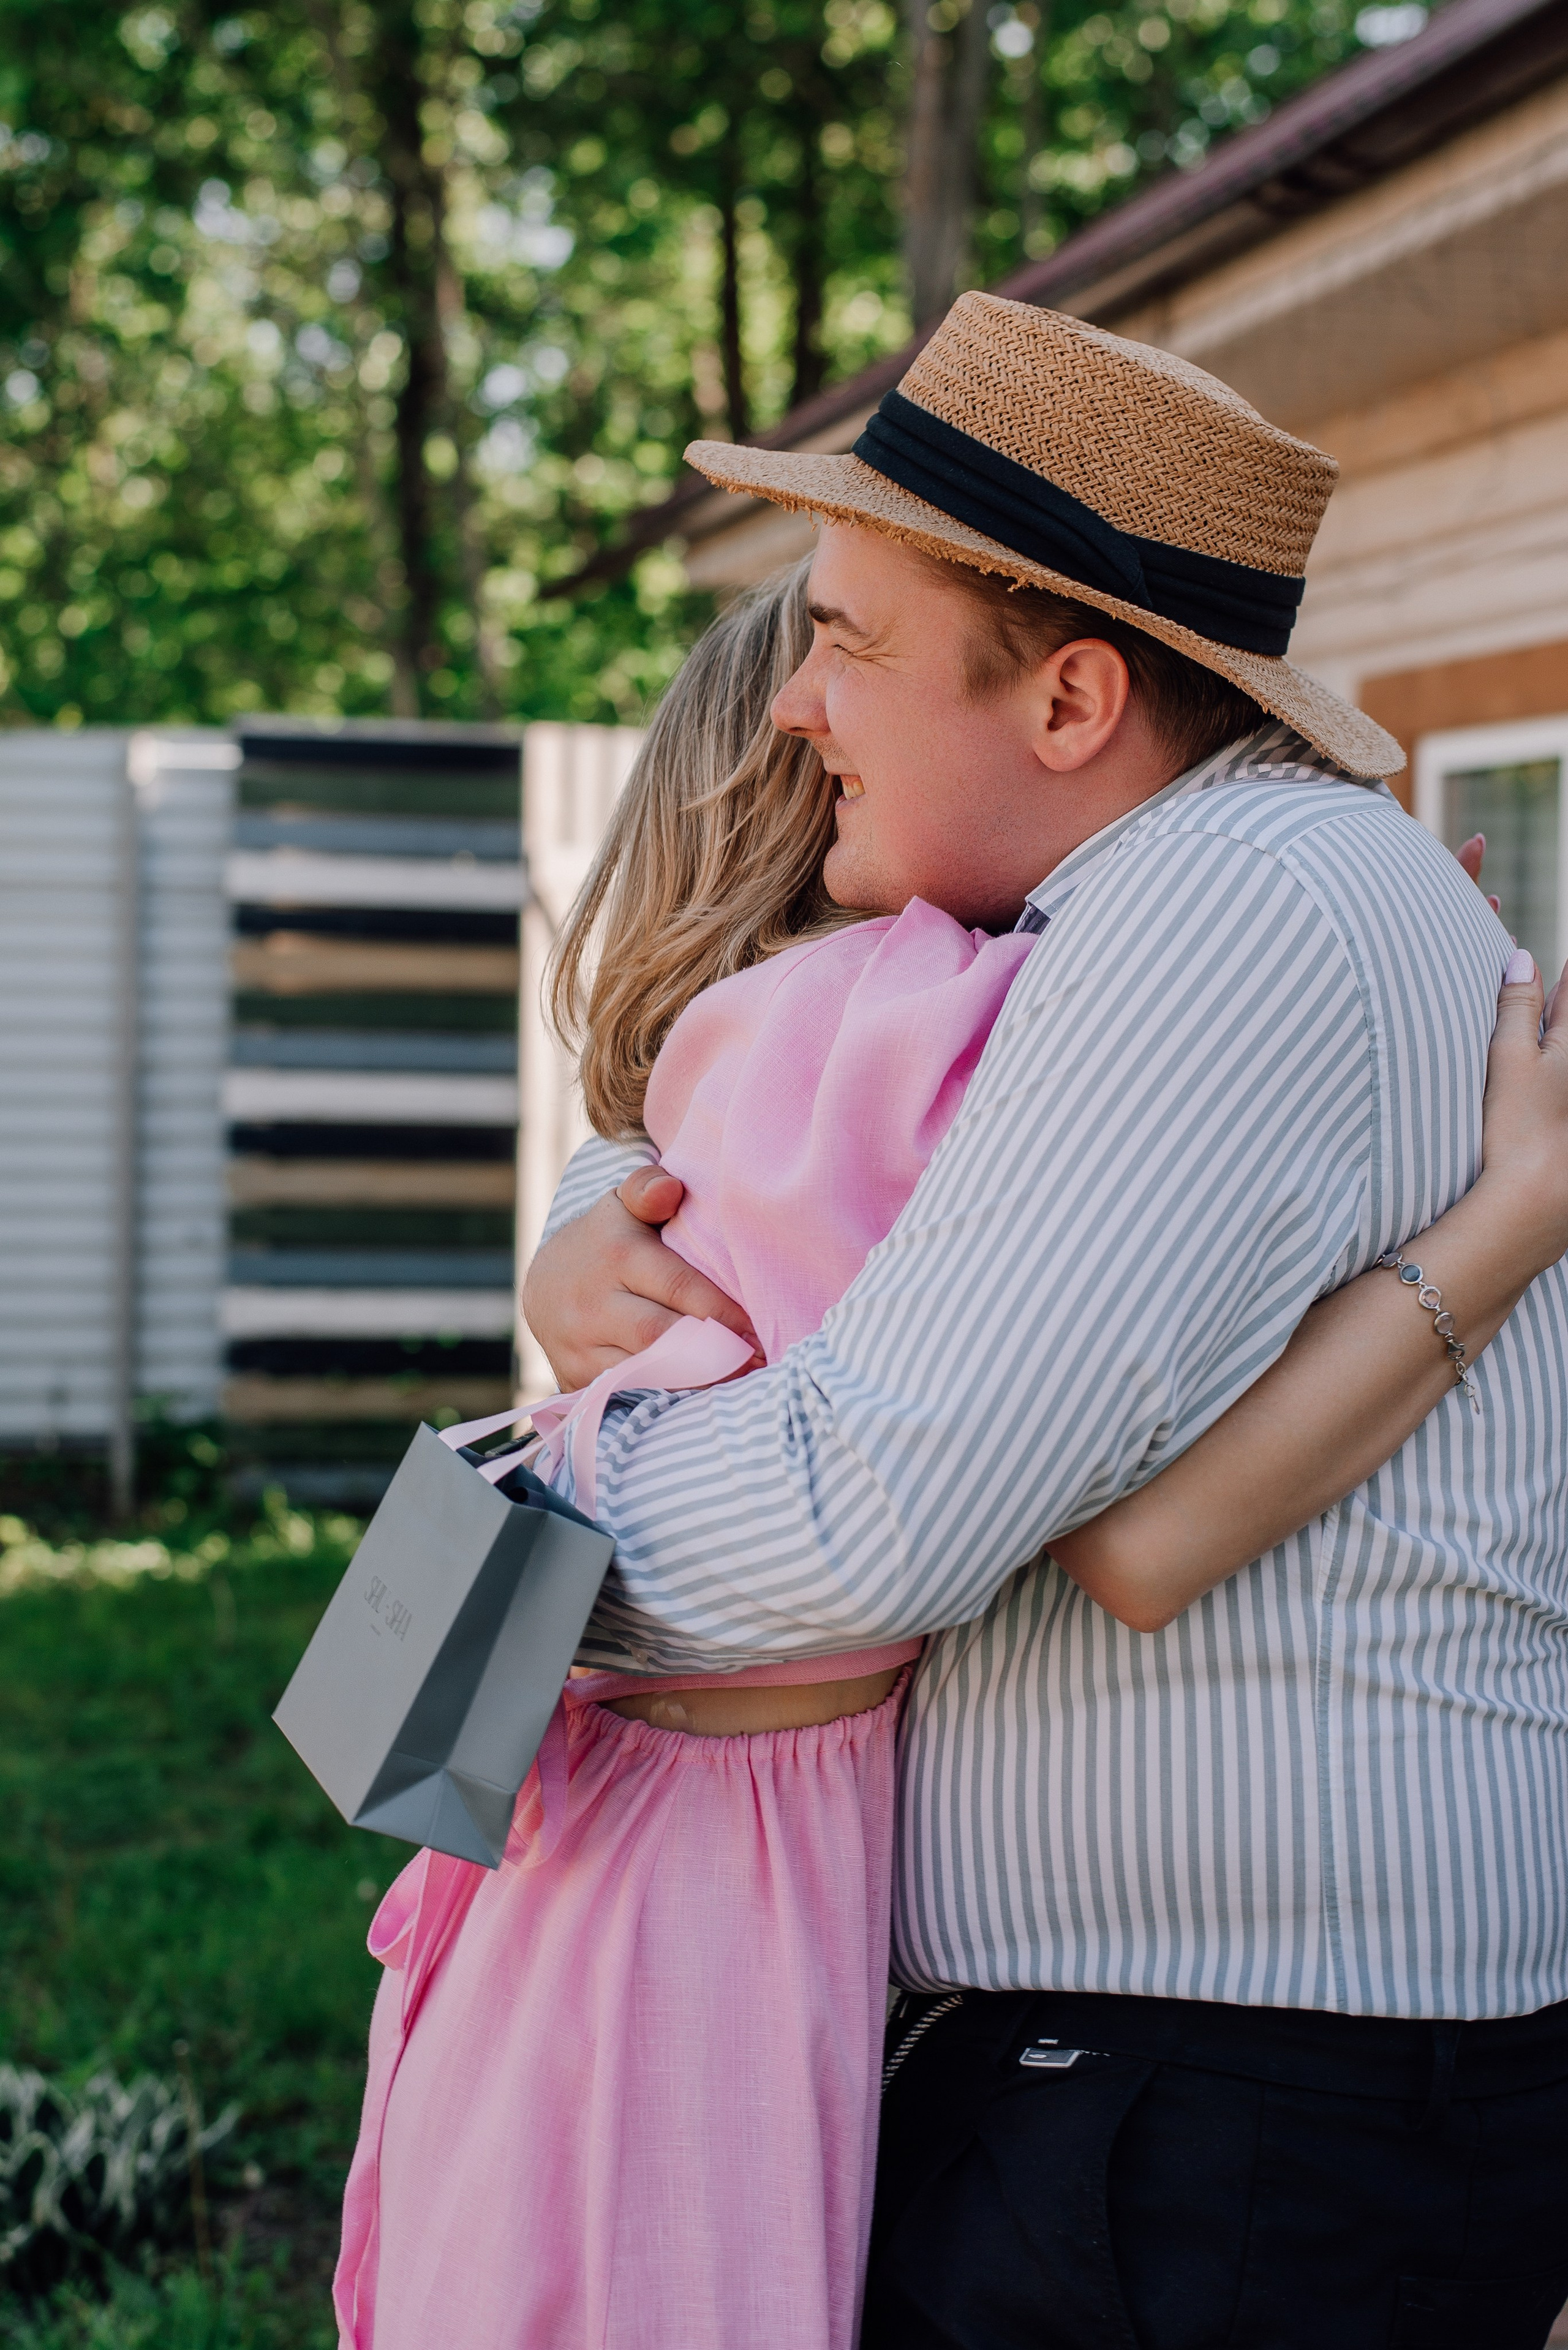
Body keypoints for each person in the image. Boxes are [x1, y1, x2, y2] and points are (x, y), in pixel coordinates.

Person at [522, 295, 1568, 2348]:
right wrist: (598, 1217)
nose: (797, 705)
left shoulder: (1227, 901)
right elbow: (821, 1176)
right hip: (1197, 2092)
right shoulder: (1128, 916)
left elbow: (875, 1506)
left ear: (1077, 696)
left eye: (847, 638)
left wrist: (479, 1578)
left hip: (1230, 2113)